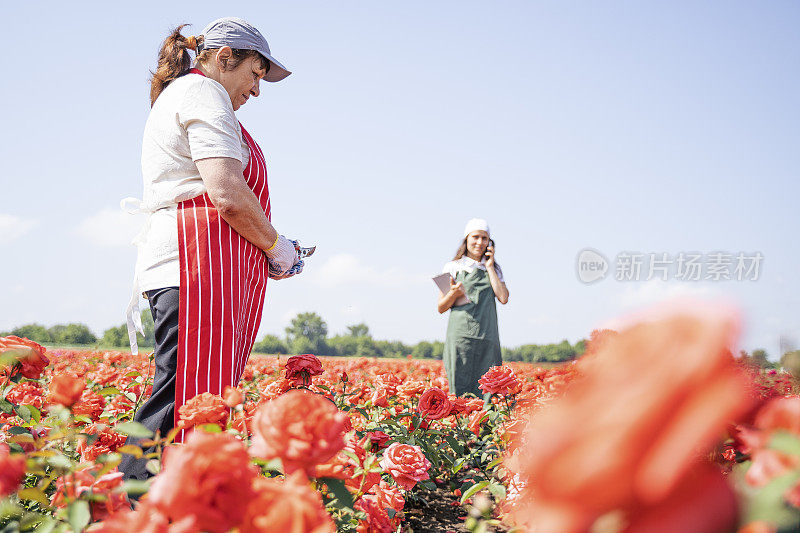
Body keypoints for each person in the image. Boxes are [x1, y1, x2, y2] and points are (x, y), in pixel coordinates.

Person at [119, 17, 301, 480]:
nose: (257, 90)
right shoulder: (203, 94)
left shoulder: (189, 95)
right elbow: (227, 193)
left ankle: (151, 506)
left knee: (187, 394)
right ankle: (135, 509)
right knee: (185, 401)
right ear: (224, 58)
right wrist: (278, 249)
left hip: (200, 264)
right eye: (255, 74)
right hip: (194, 264)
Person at [438, 219, 510, 398]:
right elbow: (441, 307)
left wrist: (490, 266)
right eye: (475, 237)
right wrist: (453, 294)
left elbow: (503, 297)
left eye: (484, 238)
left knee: (489, 388)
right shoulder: (452, 267)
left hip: (488, 336)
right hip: (461, 336)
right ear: (466, 239)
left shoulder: (494, 270)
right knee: (459, 386)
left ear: (490, 243)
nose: (480, 242)